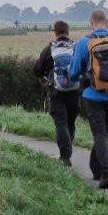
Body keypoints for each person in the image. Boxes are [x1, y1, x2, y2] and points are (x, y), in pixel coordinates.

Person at [71, 9, 108, 189]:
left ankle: (107, 172)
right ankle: (96, 169)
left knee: (99, 134)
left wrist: (74, 80)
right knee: (103, 133)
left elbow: (74, 71)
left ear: (91, 22)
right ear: (106, 21)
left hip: (92, 95)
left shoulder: (84, 43)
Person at [32, 20, 80, 166]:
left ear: (55, 32)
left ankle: (65, 157)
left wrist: (42, 79)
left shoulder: (49, 49)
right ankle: (67, 150)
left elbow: (37, 70)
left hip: (55, 92)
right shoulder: (76, 48)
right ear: (68, 32)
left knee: (61, 123)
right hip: (73, 91)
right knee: (70, 122)